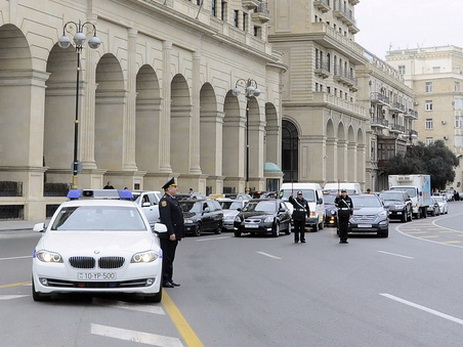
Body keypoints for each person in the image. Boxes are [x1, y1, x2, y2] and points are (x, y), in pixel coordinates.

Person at [158, 177, 185, 288]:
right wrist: (171, 232)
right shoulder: (165, 201)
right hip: (169, 235)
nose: (176, 189)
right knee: (167, 257)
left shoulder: (172, 199)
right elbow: (166, 219)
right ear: (168, 189)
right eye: (174, 187)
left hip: (175, 234)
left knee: (171, 257)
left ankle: (169, 278)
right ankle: (165, 279)